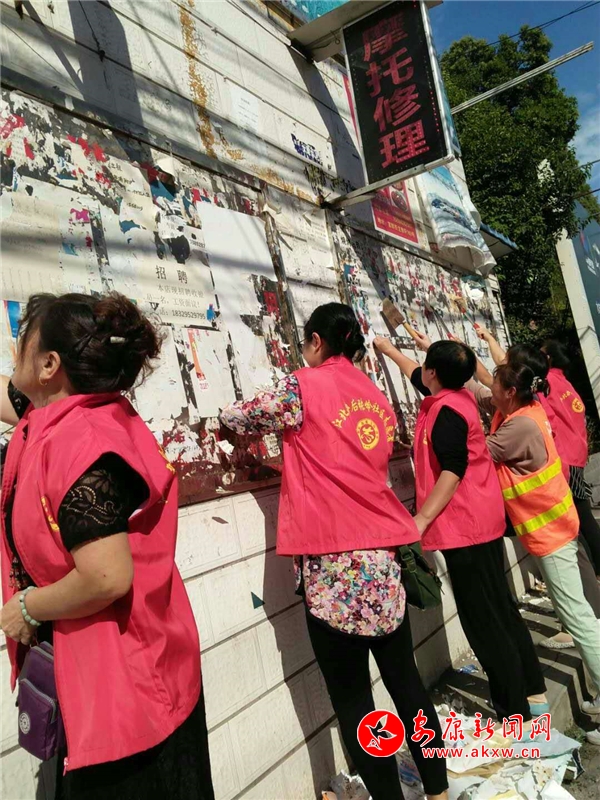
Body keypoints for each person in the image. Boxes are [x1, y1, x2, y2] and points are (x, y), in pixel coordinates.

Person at [220, 303, 448, 800]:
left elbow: (242, 416)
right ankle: (438, 790)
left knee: (356, 704)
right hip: (384, 560)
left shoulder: (302, 386)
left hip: (333, 567)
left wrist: (222, 418)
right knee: (407, 684)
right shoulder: (375, 395)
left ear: (317, 341)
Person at [0, 293, 214, 800]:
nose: (14, 348)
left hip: (126, 689)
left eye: (23, 338)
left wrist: (27, 607)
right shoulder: (65, 412)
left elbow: (106, 576)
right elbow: (13, 399)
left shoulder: (82, 440)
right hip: (116, 671)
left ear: (50, 365)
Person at [374, 334, 548, 724]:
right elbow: (415, 373)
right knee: (500, 608)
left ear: (434, 373)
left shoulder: (446, 413)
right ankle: (533, 690)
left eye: (426, 368)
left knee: (483, 621)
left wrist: (421, 520)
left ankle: (515, 711)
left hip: (465, 526)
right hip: (480, 520)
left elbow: (452, 470)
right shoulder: (456, 396)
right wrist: (389, 350)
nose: (422, 372)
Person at [465, 360, 600, 725]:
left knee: (578, 618)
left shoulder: (519, 426)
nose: (490, 388)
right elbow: (478, 391)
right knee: (578, 614)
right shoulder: (524, 409)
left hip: (550, 534)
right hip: (555, 528)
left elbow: (475, 455)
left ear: (510, 392)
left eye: (496, 384)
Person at [476, 330, 600, 652]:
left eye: (505, 367)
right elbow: (486, 385)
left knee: (578, 609)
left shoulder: (527, 413)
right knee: (580, 544)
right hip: (567, 472)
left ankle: (588, 624)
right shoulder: (546, 388)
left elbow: (477, 452)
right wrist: (479, 347)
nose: (500, 367)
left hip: (550, 520)